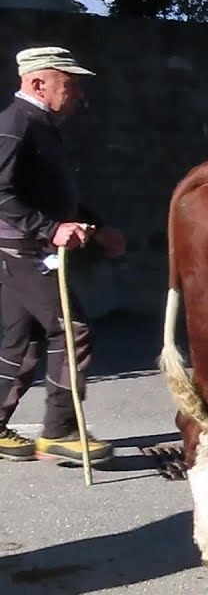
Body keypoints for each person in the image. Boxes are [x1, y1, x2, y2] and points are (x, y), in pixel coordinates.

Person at [0, 46, 126, 464]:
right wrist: (50, 229)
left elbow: (54, 195)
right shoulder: (18, 125)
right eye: (70, 85)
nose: (79, 96)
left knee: (24, 340)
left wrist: (96, 226)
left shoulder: (41, 125)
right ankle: (59, 431)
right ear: (39, 83)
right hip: (23, 249)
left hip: (26, 247)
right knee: (71, 330)